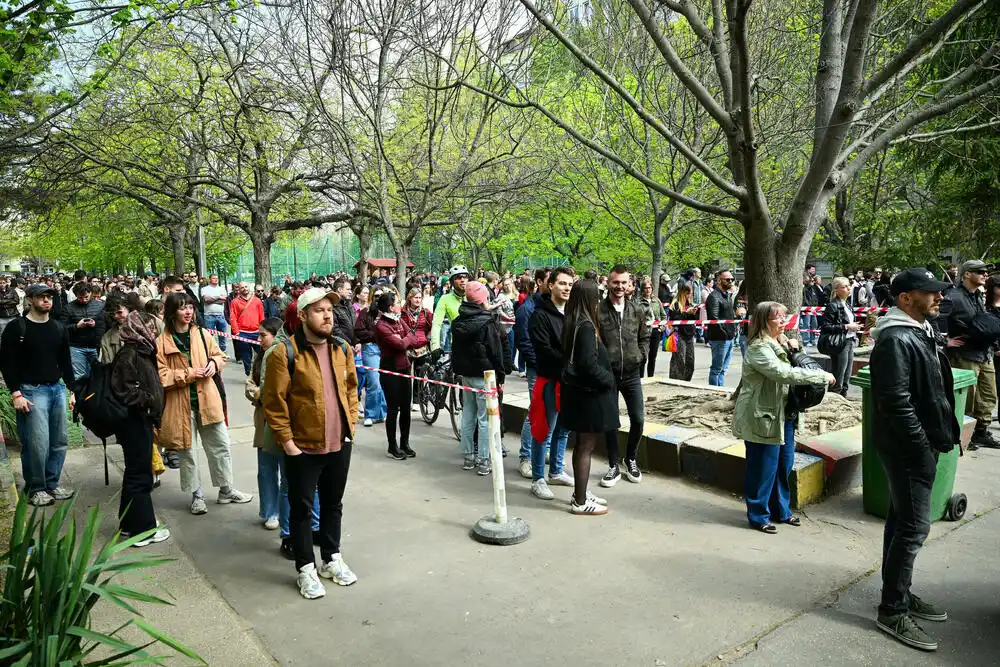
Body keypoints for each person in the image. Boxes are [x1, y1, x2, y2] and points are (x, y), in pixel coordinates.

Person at [868, 268, 960, 652]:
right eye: (931, 292)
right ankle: (893, 610)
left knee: (902, 522)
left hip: (917, 447)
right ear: (906, 298)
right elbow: (896, 404)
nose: (939, 298)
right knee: (913, 529)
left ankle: (899, 592)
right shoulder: (895, 339)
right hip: (909, 451)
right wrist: (922, 448)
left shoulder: (917, 331)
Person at [261, 287, 360, 599]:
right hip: (302, 447)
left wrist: (350, 427)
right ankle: (306, 568)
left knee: (333, 505)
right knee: (302, 511)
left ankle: (331, 558)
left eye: (329, 309)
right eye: (319, 309)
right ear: (302, 315)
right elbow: (274, 403)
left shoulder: (342, 349)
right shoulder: (284, 353)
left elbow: (352, 390)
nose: (328, 314)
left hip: (338, 443)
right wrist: (288, 443)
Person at [733, 302, 834, 533]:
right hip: (763, 417)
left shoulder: (781, 343)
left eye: (784, 317)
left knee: (783, 464)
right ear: (763, 322)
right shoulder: (759, 348)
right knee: (762, 468)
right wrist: (819, 375)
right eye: (777, 318)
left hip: (784, 414)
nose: (783, 322)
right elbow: (783, 373)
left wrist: (794, 349)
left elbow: (797, 363)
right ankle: (758, 515)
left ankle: (781, 510)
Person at [157, 292, 253, 515]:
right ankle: (196, 495)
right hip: (181, 405)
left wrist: (214, 363)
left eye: (190, 307)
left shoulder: (201, 334)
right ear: (172, 313)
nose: (188, 311)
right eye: (182, 308)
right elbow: (161, 376)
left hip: (208, 400)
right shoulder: (162, 342)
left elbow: (220, 355)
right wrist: (188, 373)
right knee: (188, 452)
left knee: (220, 446)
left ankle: (226, 490)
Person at [245, 316, 322, 557]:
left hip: (294, 430)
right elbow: (260, 389)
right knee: (272, 474)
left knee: (299, 481)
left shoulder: (295, 351)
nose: (259, 340)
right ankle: (277, 520)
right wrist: (261, 395)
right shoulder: (266, 356)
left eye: (262, 335)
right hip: (271, 426)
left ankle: (311, 526)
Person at [0, 284, 77, 506]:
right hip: (31, 391)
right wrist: (16, 393)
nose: (47, 301)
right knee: (36, 443)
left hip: (56, 389)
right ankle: (36, 487)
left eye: (49, 297)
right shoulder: (18, 327)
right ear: (30, 299)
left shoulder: (59, 328)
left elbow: (66, 362)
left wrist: (72, 390)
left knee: (59, 441)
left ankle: (52, 484)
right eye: (42, 297)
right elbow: (7, 362)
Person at [110, 311, 170, 546]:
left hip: (140, 420)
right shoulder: (130, 354)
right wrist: (147, 401)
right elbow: (125, 391)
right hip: (134, 421)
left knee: (135, 472)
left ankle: (128, 524)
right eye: (150, 327)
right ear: (139, 329)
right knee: (140, 474)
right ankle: (143, 530)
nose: (154, 331)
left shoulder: (142, 351)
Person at [560, 279, 615, 515]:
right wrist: (608, 378)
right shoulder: (585, 326)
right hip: (589, 395)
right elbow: (587, 365)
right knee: (585, 446)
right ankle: (580, 502)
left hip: (580, 394)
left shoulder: (574, 321)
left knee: (583, 446)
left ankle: (580, 493)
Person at [595, 266, 649, 487]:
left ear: (629, 285)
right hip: (608, 375)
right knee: (610, 421)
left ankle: (631, 458)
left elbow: (645, 336)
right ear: (608, 282)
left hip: (632, 373)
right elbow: (595, 341)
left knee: (638, 418)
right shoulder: (598, 310)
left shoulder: (637, 309)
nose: (619, 286)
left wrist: (641, 356)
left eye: (623, 282)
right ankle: (613, 464)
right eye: (615, 282)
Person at [451, 281, 512, 475]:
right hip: (485, 375)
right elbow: (496, 353)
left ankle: (468, 456)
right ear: (483, 298)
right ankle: (484, 458)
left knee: (468, 415)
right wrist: (501, 376)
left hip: (466, 374)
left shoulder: (458, 321)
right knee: (484, 419)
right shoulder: (488, 322)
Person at [526, 268, 574, 498]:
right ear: (551, 285)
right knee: (544, 430)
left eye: (570, 284)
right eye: (562, 283)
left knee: (563, 429)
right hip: (549, 380)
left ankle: (556, 470)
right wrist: (569, 362)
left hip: (569, 381)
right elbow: (543, 350)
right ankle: (538, 478)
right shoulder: (540, 314)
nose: (566, 288)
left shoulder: (572, 313)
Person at [942, 259, 1000, 450]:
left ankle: (981, 431)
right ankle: (965, 434)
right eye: (980, 271)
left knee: (988, 395)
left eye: (985, 272)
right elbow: (936, 321)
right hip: (965, 354)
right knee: (967, 397)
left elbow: (984, 324)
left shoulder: (977, 296)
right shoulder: (953, 297)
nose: (985, 275)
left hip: (984, 353)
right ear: (967, 274)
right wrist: (944, 340)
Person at [374, 292, 420, 459]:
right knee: (393, 409)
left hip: (405, 368)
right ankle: (392, 446)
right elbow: (400, 344)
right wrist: (406, 339)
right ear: (390, 307)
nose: (400, 305)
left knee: (406, 408)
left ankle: (404, 443)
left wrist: (405, 339)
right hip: (390, 370)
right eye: (398, 302)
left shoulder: (399, 319)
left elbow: (413, 337)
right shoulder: (381, 325)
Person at [515, 267, 550, 478]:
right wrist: (541, 362)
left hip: (552, 368)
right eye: (550, 280)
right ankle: (525, 457)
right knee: (535, 412)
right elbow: (524, 343)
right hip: (537, 369)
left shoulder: (551, 305)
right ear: (539, 282)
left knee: (551, 411)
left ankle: (542, 449)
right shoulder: (527, 309)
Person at [819, 277, 861, 397]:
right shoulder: (833, 305)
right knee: (839, 374)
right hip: (840, 343)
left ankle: (843, 398)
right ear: (836, 290)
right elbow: (826, 326)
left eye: (849, 286)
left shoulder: (846, 304)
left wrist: (854, 326)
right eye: (844, 287)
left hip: (849, 341)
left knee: (847, 375)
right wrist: (847, 326)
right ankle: (833, 400)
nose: (848, 288)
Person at [354, 287, 388, 427]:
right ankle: (371, 414)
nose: (378, 298)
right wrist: (376, 334)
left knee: (384, 382)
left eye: (381, 296)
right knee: (373, 382)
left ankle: (382, 412)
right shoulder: (365, 312)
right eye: (376, 296)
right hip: (370, 349)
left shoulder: (389, 313)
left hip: (386, 349)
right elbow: (359, 330)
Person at [61, 281, 106, 381]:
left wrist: (95, 325)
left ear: (90, 293)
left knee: (96, 375)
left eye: (86, 297)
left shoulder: (99, 306)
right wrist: (76, 326)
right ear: (76, 295)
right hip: (76, 346)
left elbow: (103, 325)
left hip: (95, 346)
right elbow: (62, 328)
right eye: (80, 298)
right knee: (80, 377)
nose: (84, 300)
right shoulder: (68, 308)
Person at [704, 269, 738, 386]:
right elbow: (714, 319)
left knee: (723, 369)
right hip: (720, 338)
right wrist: (725, 334)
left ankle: (721, 391)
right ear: (719, 281)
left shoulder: (726, 296)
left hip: (729, 337)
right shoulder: (714, 296)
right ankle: (714, 393)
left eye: (732, 279)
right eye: (727, 279)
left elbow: (727, 316)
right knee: (716, 369)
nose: (731, 282)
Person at [401, 288, 432, 409]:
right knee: (406, 375)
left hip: (422, 347)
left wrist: (427, 337)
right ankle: (405, 400)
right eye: (416, 297)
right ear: (410, 298)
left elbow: (432, 326)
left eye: (420, 298)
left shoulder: (426, 312)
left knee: (420, 374)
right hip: (407, 347)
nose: (418, 300)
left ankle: (416, 400)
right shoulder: (403, 312)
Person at [430, 265, 469, 352]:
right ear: (451, 282)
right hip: (458, 345)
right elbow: (436, 324)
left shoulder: (474, 295)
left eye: (465, 277)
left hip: (478, 345)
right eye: (458, 277)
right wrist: (435, 346)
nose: (462, 280)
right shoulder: (445, 299)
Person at [230, 283, 265, 376]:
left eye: (246, 286)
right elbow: (233, 317)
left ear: (249, 287)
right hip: (243, 333)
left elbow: (262, 317)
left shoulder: (257, 301)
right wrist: (236, 332)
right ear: (239, 289)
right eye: (242, 287)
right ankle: (249, 375)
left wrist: (262, 332)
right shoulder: (235, 302)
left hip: (256, 332)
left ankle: (261, 374)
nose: (244, 289)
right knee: (246, 357)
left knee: (262, 354)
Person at [635, 278, 666, 377]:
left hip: (656, 331)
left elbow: (664, 316)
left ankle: (650, 377)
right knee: (643, 357)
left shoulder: (656, 300)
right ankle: (640, 378)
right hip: (644, 333)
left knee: (653, 357)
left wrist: (662, 328)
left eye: (649, 288)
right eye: (646, 288)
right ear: (643, 289)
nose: (648, 290)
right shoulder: (638, 302)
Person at [668, 282, 698, 381]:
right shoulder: (675, 304)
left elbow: (694, 320)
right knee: (679, 360)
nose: (690, 296)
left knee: (690, 361)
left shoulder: (689, 303)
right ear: (684, 293)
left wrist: (693, 313)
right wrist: (686, 313)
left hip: (689, 334)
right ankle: (676, 381)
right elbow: (674, 320)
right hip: (679, 334)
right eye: (689, 294)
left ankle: (686, 381)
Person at [331, 278, 356, 344]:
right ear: (339, 289)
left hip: (354, 346)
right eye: (348, 289)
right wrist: (348, 343)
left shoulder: (349, 304)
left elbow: (355, 324)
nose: (350, 292)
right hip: (341, 346)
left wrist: (357, 341)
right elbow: (335, 330)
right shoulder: (332, 306)